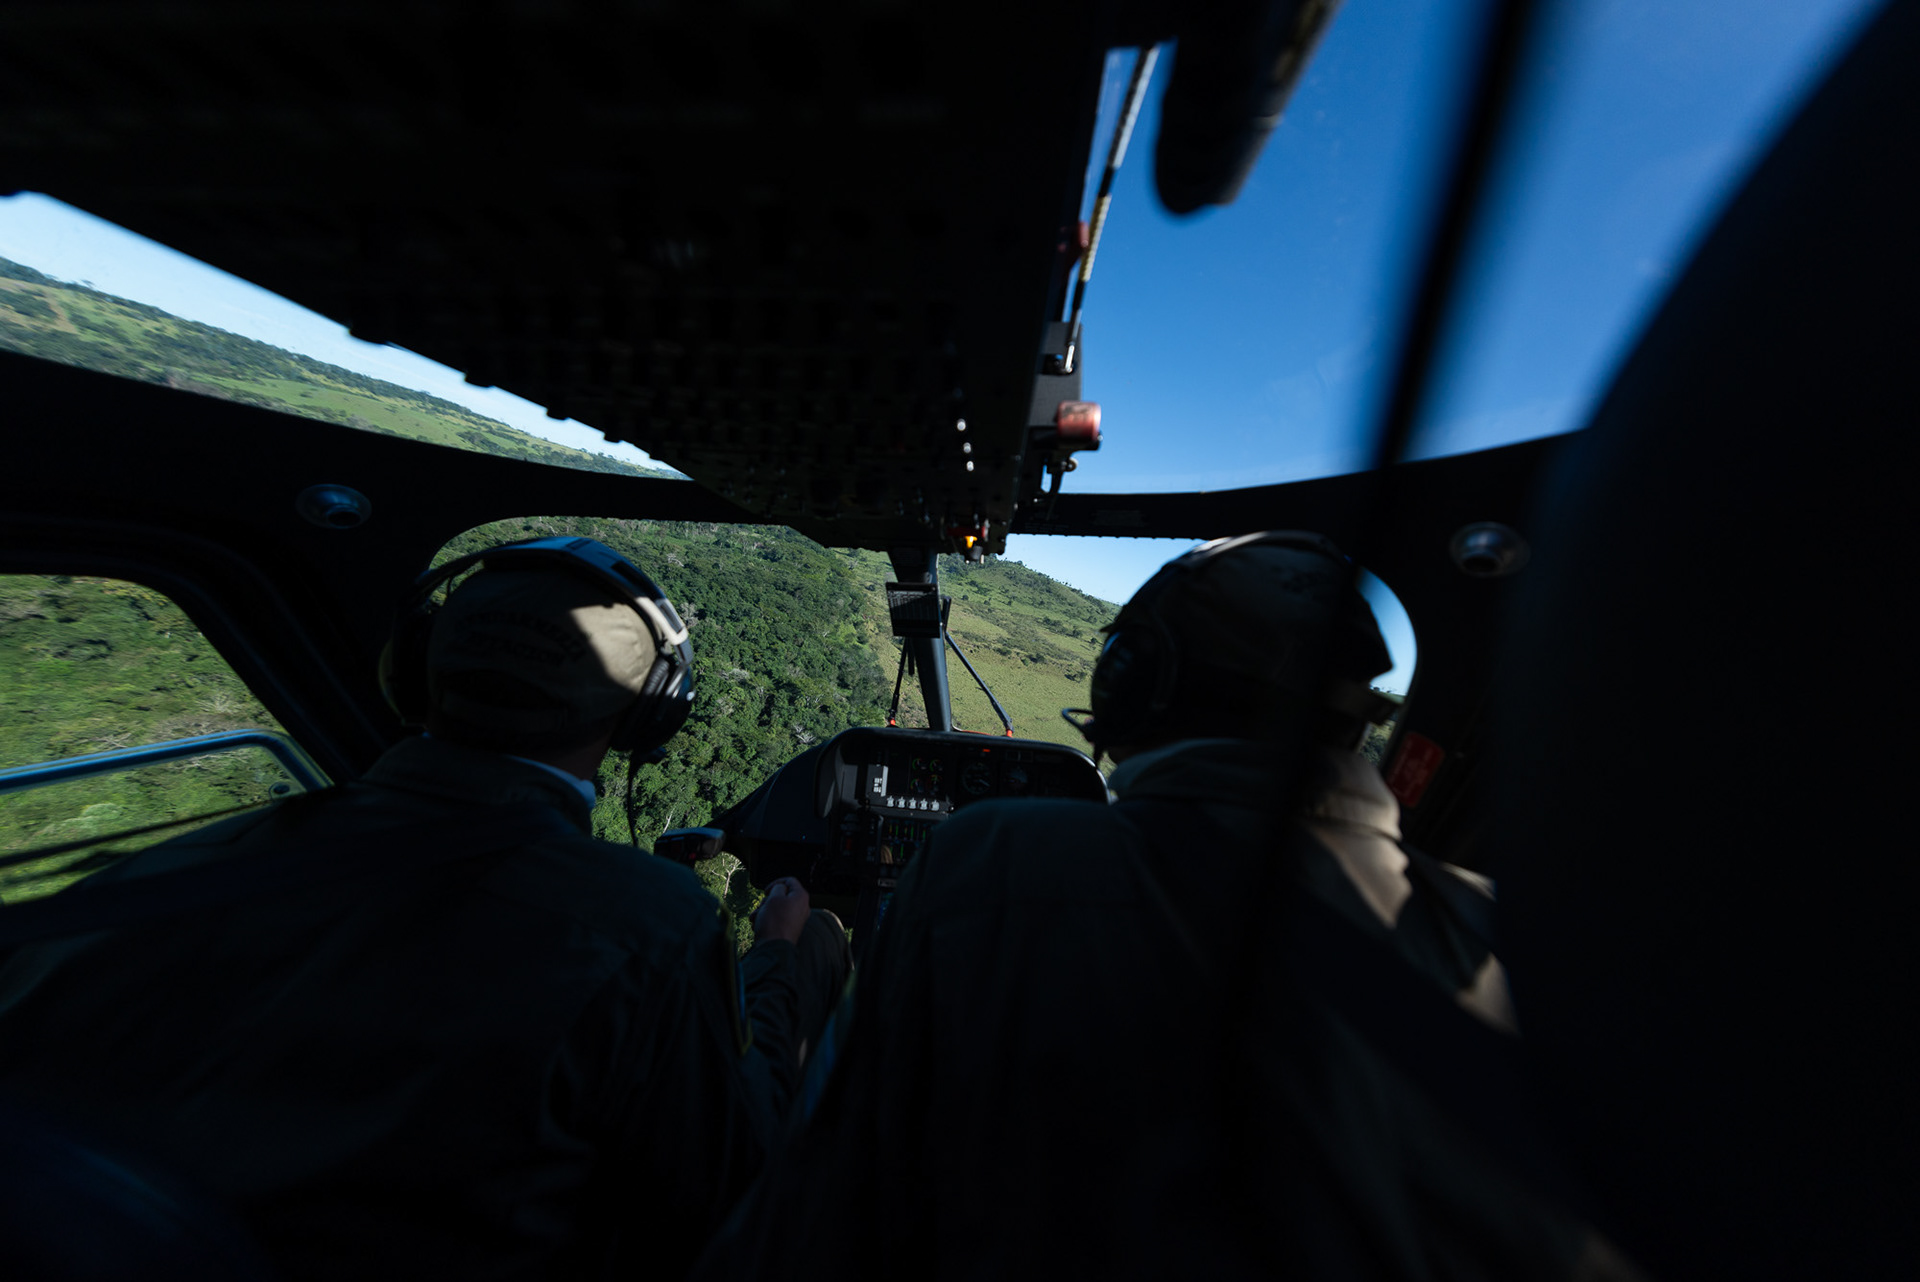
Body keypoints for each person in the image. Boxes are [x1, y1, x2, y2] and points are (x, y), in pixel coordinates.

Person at [701, 531, 1638, 1281]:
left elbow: (812, 1212)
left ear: (1129, 684)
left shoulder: (989, 862)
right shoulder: (1518, 945)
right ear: (1357, 720)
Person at [0, 536, 848, 1281]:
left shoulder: (144, 880)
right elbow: (734, 1174)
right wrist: (787, 956)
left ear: (410, 670)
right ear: (650, 713)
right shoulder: (647, 921)